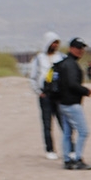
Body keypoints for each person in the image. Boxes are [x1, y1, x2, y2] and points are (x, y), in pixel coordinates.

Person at [56, 38, 91, 170]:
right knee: (83, 132)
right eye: (78, 48)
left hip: (62, 103)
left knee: (67, 132)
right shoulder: (71, 64)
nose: (81, 51)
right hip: (71, 103)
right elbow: (72, 84)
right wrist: (86, 91)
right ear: (71, 48)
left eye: (82, 48)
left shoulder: (63, 63)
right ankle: (77, 159)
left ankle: (67, 160)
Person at [28, 31, 64, 160]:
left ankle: (68, 148)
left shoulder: (61, 57)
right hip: (45, 95)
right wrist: (39, 92)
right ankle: (50, 149)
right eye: (53, 42)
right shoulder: (39, 59)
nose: (55, 45)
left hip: (59, 95)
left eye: (57, 43)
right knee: (47, 123)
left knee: (63, 122)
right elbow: (32, 77)